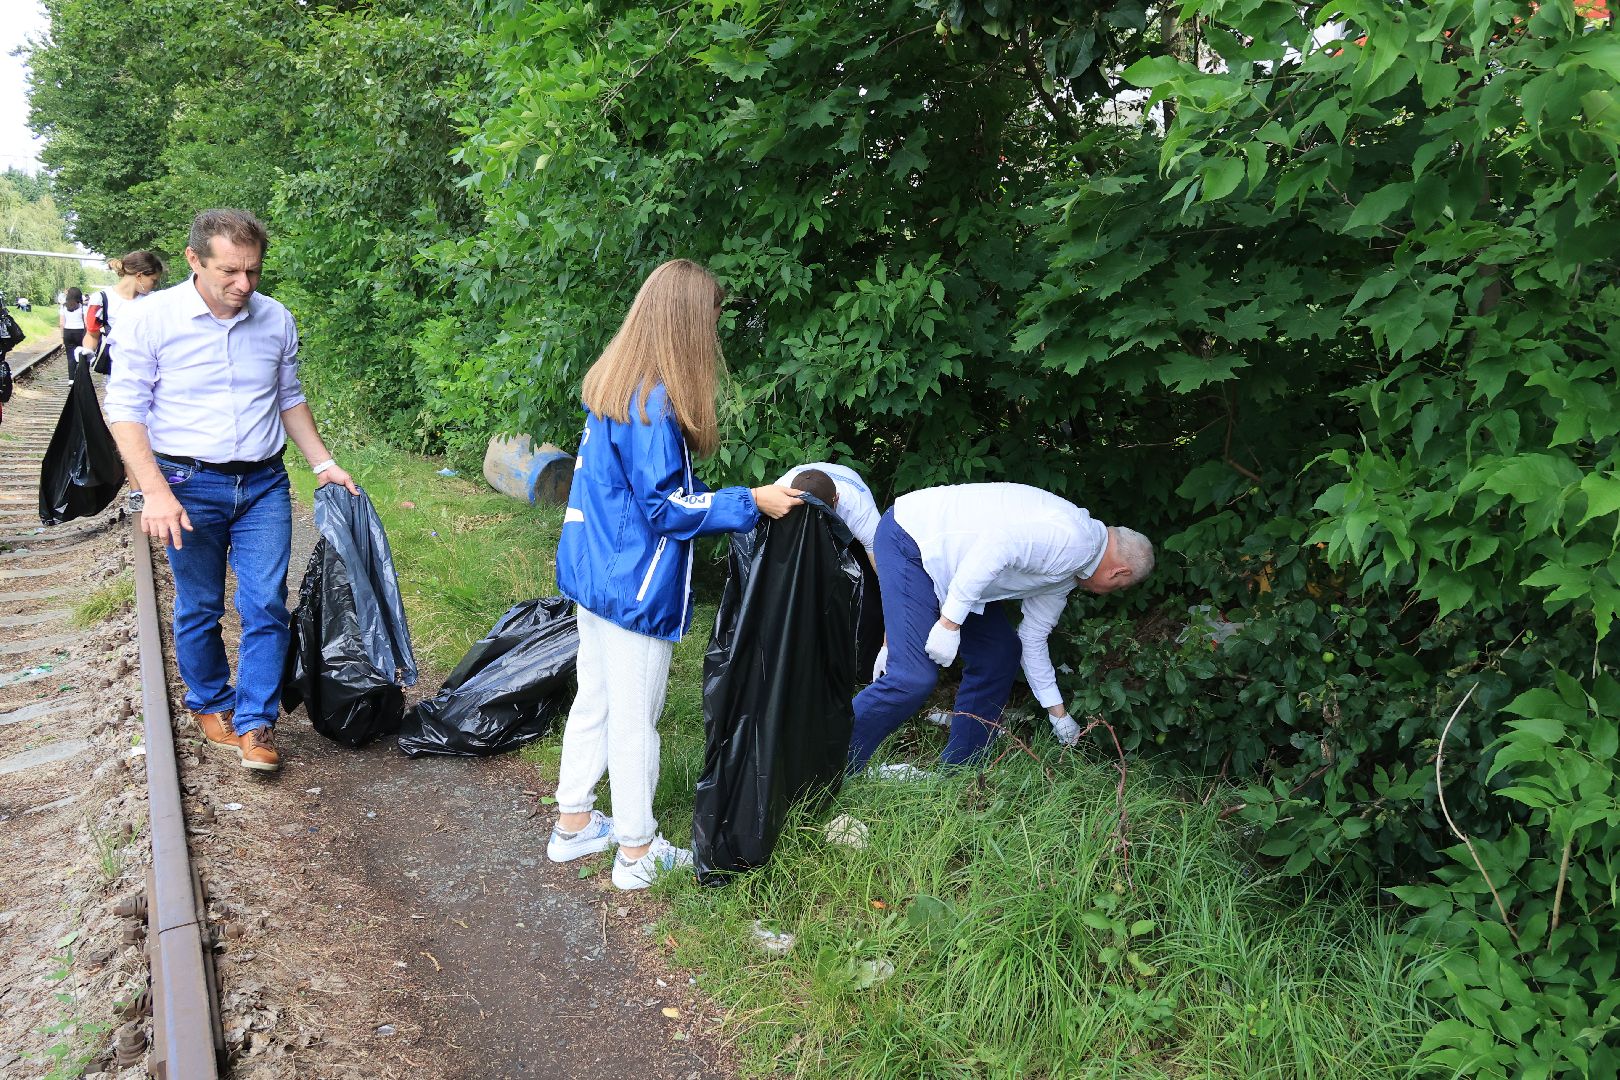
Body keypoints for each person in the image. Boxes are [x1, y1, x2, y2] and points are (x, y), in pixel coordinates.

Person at [548, 258, 801, 891]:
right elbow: (666, 509)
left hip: (595, 574)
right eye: (711, 321)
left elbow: (639, 493)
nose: (715, 336)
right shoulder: (655, 402)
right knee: (637, 718)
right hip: (634, 584)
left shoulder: (614, 386)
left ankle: (574, 822)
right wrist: (752, 501)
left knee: (597, 699)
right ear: (687, 323)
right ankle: (635, 852)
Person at [104, 209, 358, 773]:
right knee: (200, 603)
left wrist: (323, 464)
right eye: (230, 272)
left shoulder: (275, 320)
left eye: (254, 271)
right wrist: (155, 492)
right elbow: (124, 410)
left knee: (267, 602)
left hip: (264, 482)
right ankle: (211, 700)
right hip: (185, 483)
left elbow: (289, 397)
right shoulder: (152, 320)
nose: (244, 284)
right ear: (195, 261)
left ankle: (255, 721)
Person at [846, 482, 1154, 776]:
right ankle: (824, 764)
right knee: (912, 677)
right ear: (1119, 572)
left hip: (962, 571)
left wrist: (1056, 712)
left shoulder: (1073, 569)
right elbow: (997, 545)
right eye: (1117, 587)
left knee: (1000, 654)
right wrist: (949, 623)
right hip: (914, 540)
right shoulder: (1075, 541)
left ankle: (959, 771)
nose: (1106, 593)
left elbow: (1033, 637)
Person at [772, 462, 881, 565]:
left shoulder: (861, 513)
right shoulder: (778, 494)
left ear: (837, 499)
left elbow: (882, 566)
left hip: (848, 480)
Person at [83, 250, 165, 376]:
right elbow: (92, 335)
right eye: (153, 280)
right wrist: (86, 352)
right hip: (117, 373)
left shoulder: (154, 301)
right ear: (139, 276)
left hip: (150, 369)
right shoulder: (101, 300)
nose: (155, 285)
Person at [60, 288, 87, 377]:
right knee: (82, 355)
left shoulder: (63, 307)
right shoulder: (83, 307)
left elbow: (62, 323)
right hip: (80, 332)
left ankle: (71, 379)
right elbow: (86, 323)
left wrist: (62, 338)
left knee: (70, 357)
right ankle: (82, 377)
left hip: (68, 332)